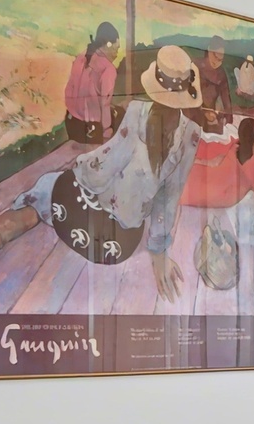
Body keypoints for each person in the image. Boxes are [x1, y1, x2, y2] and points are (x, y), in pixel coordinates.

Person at [39, 43, 206, 299]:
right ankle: (28, 213)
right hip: (117, 228)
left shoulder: (171, 126)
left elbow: (109, 164)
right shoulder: (168, 124)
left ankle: (29, 211)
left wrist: (80, 166)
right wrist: (159, 251)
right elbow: (162, 194)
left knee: (59, 186)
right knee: (60, 187)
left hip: (117, 232)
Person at [63, 23, 119, 143]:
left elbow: (69, 89)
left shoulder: (81, 56)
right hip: (91, 129)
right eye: (116, 48)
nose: (117, 53)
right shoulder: (108, 69)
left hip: (71, 121)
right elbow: (105, 103)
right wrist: (107, 131)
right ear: (108, 44)